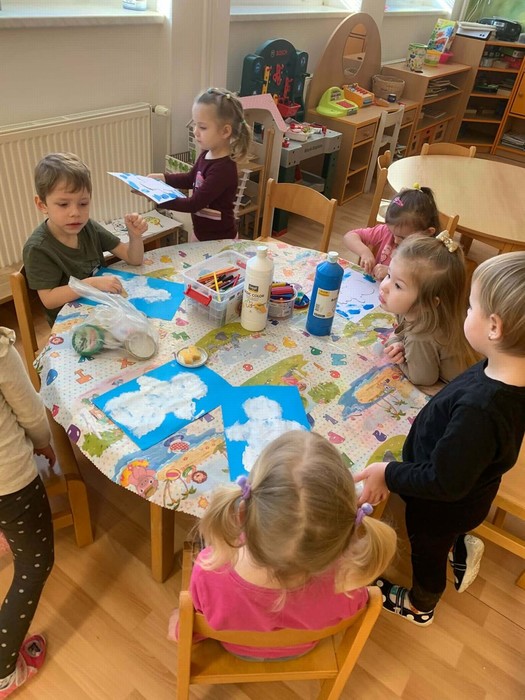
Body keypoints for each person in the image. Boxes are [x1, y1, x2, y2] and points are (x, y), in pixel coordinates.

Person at [354, 251, 525, 627]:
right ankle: (457, 542)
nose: (464, 312)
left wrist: (388, 473)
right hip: (470, 494)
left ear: (494, 327)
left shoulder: (483, 409)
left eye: (470, 307)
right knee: (446, 531)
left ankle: (421, 604)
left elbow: (443, 482)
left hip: (440, 507)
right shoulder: (505, 371)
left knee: (426, 552)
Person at [169, 430, 397, 659]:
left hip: (235, 649)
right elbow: (349, 611)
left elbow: (196, 622)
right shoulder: (349, 583)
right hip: (300, 650)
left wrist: (179, 622)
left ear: (242, 513)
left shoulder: (209, 569)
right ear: (345, 527)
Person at [23, 152, 148, 325]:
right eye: (63, 204)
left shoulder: (88, 227)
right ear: (42, 205)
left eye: (83, 203)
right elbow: (49, 299)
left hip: (104, 309)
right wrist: (92, 284)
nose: (75, 213)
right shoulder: (38, 248)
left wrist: (135, 236)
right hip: (71, 323)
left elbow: (133, 259)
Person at [0, 327, 56, 696]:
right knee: (35, 566)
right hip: (10, 483)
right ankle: (3, 672)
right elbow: (32, 414)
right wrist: (43, 442)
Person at [147, 87, 252, 242]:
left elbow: (193, 204)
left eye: (202, 127)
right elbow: (190, 179)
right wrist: (162, 178)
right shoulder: (206, 153)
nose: (196, 131)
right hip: (201, 235)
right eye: (195, 124)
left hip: (220, 240)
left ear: (225, 131)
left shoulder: (223, 169)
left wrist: (158, 198)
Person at [379, 232, 477, 388]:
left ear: (427, 303)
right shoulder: (417, 311)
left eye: (398, 285)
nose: (384, 286)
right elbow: (403, 332)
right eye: (389, 275)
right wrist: (398, 342)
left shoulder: (421, 336)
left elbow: (423, 379)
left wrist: (395, 349)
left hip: (465, 389)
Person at [343, 184, 440, 280]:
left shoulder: (430, 255)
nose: (395, 240)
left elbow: (422, 283)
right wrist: (365, 252)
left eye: (403, 238)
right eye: (392, 232)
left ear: (428, 232)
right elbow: (350, 236)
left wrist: (391, 273)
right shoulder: (386, 232)